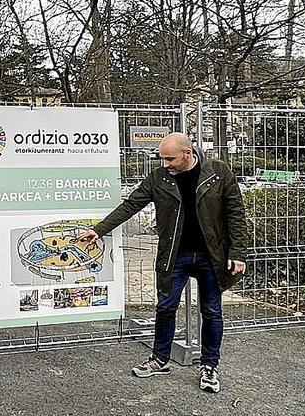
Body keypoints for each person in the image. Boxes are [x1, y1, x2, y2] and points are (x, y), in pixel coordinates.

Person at [79, 132, 247, 393]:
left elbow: (235, 213)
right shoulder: (159, 178)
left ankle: (210, 367)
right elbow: (131, 205)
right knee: (166, 307)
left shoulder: (218, 172)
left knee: (212, 311)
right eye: (162, 158)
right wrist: (100, 230)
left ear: (187, 154)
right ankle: (159, 359)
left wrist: (237, 253)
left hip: (211, 257)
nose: (165, 163)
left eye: (170, 158)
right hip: (174, 255)